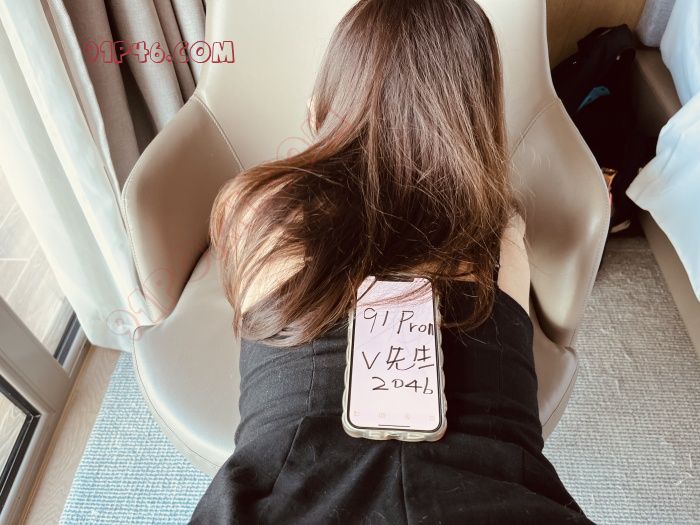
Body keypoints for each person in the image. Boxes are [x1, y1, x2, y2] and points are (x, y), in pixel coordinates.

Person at [190, 0, 595, 523]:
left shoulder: (256, 209)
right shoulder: (504, 237)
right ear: (477, 120)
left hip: (288, 493)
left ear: (322, 106)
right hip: (497, 491)